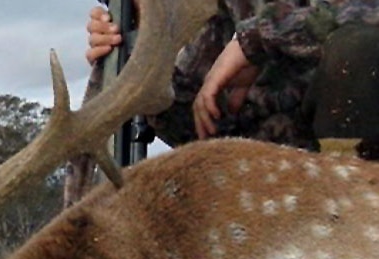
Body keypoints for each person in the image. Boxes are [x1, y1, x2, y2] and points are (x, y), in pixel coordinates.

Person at [86, 0, 379, 155]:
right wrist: (142, 70)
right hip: (285, 198)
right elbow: (208, 128)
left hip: (353, 202)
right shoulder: (220, 14)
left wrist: (256, 38)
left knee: (357, 50)